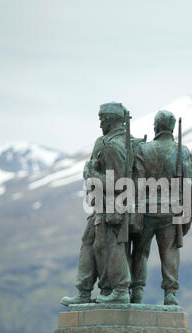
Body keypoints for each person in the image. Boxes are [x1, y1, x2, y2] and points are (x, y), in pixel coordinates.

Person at [61, 102, 133, 306]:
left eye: (102, 119)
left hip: (112, 206)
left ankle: (119, 289)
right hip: (103, 205)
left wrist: (91, 174)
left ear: (110, 120)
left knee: (110, 246)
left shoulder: (111, 146)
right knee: (90, 243)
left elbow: (119, 183)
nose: (100, 124)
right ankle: (84, 291)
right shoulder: (113, 141)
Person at [130, 110, 192, 305]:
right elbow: (190, 186)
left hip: (146, 211)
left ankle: (137, 292)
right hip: (171, 212)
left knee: (140, 251)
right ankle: (170, 293)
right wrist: (188, 215)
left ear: (156, 127)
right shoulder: (181, 151)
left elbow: (135, 183)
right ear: (172, 128)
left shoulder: (143, 150)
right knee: (170, 250)